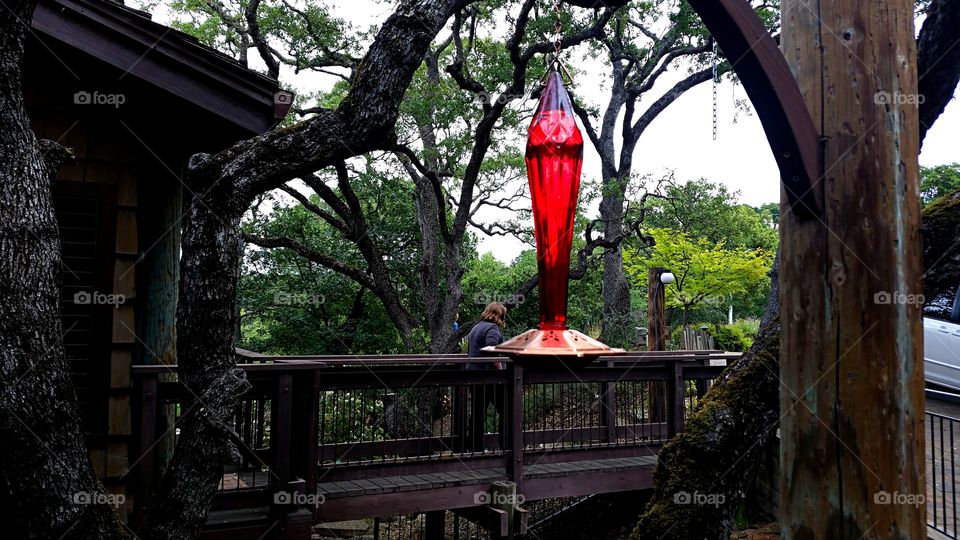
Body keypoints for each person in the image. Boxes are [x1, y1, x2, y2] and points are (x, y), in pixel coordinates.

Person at [465, 303, 507, 451]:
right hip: (490, 378)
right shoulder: (492, 329)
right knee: (507, 411)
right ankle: (507, 447)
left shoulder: (476, 327)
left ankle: (474, 449)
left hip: (475, 376)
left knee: (477, 414)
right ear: (499, 315)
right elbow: (492, 350)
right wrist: (501, 371)